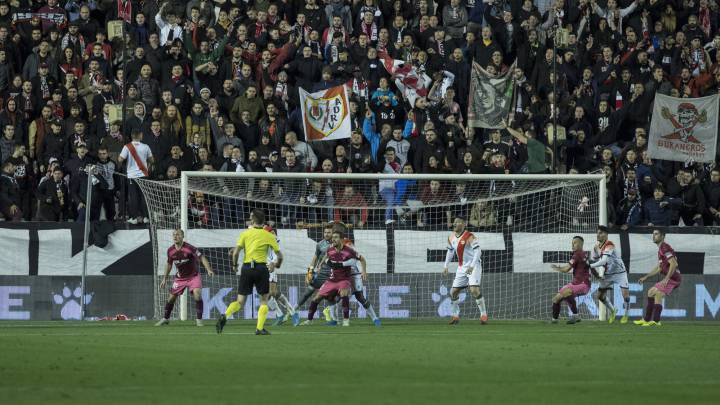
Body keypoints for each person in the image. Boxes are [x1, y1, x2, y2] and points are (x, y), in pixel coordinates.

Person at [217, 209, 283, 335]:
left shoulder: (245, 233)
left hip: (247, 268)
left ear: (252, 220)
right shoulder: (269, 235)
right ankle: (259, 328)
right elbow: (280, 256)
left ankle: (225, 316)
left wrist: (235, 265)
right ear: (264, 221)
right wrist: (276, 265)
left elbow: (235, 252)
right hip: (261, 268)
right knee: (264, 299)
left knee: (240, 301)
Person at [301, 229, 363, 327]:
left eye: (335, 237)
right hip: (332, 280)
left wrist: (364, 271)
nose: (333, 239)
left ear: (342, 239)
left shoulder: (349, 251)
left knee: (344, 294)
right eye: (332, 237)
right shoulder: (330, 250)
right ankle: (309, 320)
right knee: (316, 298)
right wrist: (325, 264)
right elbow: (326, 258)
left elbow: (361, 259)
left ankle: (346, 320)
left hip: (344, 279)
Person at [156, 229, 215, 327]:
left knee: (197, 294)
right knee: (171, 298)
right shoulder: (170, 251)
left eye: (178, 235)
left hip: (193, 276)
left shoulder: (189, 248)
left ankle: (199, 320)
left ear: (183, 237)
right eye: (174, 235)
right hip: (180, 279)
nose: (175, 236)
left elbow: (202, 258)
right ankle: (165, 318)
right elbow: (169, 264)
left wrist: (208, 269)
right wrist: (165, 278)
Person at [442, 216, 487, 325]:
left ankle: (483, 315)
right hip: (462, 267)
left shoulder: (469, 236)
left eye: (457, 222)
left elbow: (478, 252)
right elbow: (450, 252)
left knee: (474, 290)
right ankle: (455, 316)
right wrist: (445, 266)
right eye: (454, 222)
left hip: (474, 265)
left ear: (464, 224)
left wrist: (472, 266)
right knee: (453, 292)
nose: (455, 224)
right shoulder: (451, 237)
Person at [635, 229, 681, 327]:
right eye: (653, 234)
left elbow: (674, 263)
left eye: (656, 234)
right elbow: (659, 268)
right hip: (670, 277)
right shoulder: (660, 249)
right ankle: (646, 320)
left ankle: (656, 321)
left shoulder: (665, 248)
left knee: (658, 293)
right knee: (651, 292)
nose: (654, 236)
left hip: (674, 278)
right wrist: (646, 277)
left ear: (662, 236)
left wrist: (667, 278)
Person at [588, 225, 631, 324]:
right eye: (598, 233)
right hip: (608, 274)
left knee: (626, 296)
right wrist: (597, 274)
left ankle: (626, 315)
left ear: (606, 235)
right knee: (599, 296)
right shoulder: (595, 247)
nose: (598, 235)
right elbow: (593, 260)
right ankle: (613, 310)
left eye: (601, 233)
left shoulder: (609, 245)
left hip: (620, 273)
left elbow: (603, 262)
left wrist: (590, 266)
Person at [262, 225, 300, 327]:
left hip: (271, 267)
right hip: (262, 267)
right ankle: (279, 315)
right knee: (265, 294)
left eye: (270, 232)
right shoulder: (263, 240)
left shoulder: (276, 241)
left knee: (272, 292)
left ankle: (293, 312)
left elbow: (278, 256)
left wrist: (273, 264)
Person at [550, 236, 591, 324]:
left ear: (581, 244)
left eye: (575, 243)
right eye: (572, 243)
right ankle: (554, 321)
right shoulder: (584, 254)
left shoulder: (577, 254)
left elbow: (566, 269)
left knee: (567, 292)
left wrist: (557, 268)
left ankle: (575, 316)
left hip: (583, 284)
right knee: (556, 299)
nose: (572, 245)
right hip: (575, 283)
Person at [118, 131, 154, 224]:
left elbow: (120, 159)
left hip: (132, 176)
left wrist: (128, 163)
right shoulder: (146, 146)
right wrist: (147, 165)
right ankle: (146, 217)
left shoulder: (127, 147)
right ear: (141, 135)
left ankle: (134, 218)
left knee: (133, 197)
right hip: (144, 175)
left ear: (132, 136)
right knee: (144, 197)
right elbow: (152, 160)